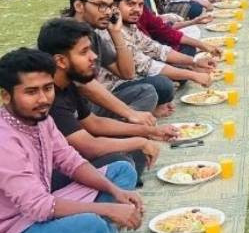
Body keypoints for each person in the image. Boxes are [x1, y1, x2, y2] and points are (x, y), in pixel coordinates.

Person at [0, 47, 144, 233]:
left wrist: (114, 191)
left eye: (48, 88)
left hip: (43, 209)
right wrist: (108, 209)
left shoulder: (41, 120)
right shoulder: (4, 140)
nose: (43, 99)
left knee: (122, 171)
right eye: (31, 92)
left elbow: (71, 161)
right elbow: (39, 206)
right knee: (93, 227)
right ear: (5, 95)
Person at [36, 19, 173, 188]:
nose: (93, 56)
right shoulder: (47, 98)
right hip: (47, 176)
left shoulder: (69, 83)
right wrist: (140, 141)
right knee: (121, 163)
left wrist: (149, 130)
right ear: (61, 61)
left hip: (75, 151)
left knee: (131, 148)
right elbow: (89, 147)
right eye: (84, 52)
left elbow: (93, 122)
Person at [112, 0, 214, 92]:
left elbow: (156, 49)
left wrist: (194, 62)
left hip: (143, 68)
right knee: (163, 85)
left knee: (185, 55)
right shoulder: (114, 30)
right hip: (117, 85)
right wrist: (192, 74)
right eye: (131, 4)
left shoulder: (130, 25)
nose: (137, 9)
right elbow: (145, 65)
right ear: (114, 6)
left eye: (140, 5)